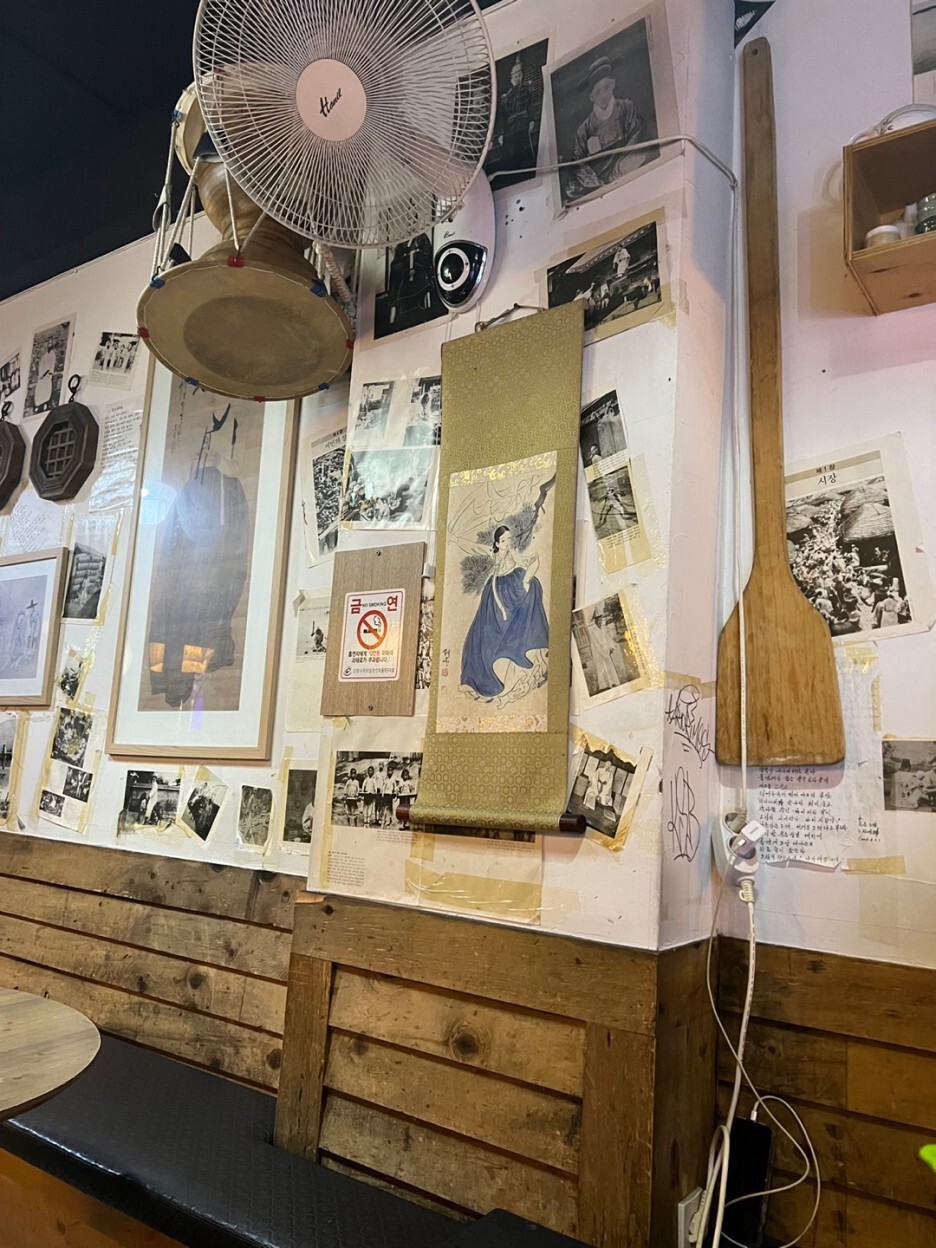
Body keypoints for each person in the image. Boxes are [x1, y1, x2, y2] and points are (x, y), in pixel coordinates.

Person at [460, 525, 548, 706]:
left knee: (530, 592)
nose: (507, 542)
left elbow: (526, 561)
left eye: (509, 538)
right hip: (495, 591)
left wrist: (527, 576)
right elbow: (476, 551)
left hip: (511, 586)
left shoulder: (511, 552)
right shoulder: (494, 554)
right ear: (497, 543)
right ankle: (476, 679)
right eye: (503, 540)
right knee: (481, 631)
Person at [564, 56, 648, 202]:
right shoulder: (584, 130)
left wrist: (619, 173)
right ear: (591, 97)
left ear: (613, 84)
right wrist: (599, 186)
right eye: (597, 92)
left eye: (606, 87)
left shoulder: (627, 108)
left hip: (629, 174)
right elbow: (578, 164)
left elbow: (638, 138)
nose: (603, 95)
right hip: (600, 190)